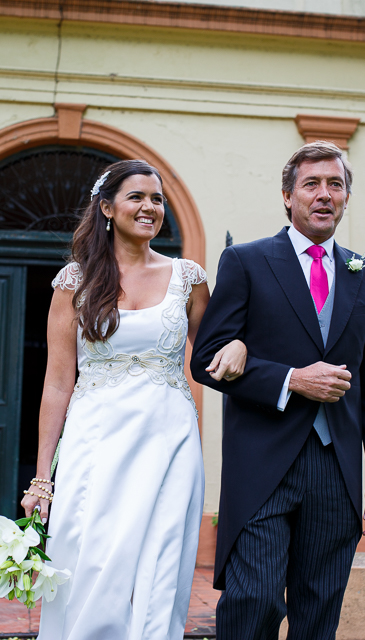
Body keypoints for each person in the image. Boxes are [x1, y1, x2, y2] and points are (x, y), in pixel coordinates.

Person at [22, 159, 248, 639]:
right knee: (91, 560)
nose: (150, 207)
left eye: (157, 199)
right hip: (95, 440)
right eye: (137, 197)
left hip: (169, 439)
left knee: (161, 566)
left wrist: (240, 344)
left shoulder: (188, 278)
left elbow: (211, 352)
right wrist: (43, 477)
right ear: (107, 208)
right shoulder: (74, 282)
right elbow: (57, 383)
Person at [190, 141, 365, 640]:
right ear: (288, 196)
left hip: (336, 469)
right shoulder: (246, 261)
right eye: (312, 184)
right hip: (263, 463)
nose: (324, 194)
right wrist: (290, 379)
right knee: (253, 600)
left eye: (335, 185)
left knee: (319, 609)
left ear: (346, 198)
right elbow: (206, 361)